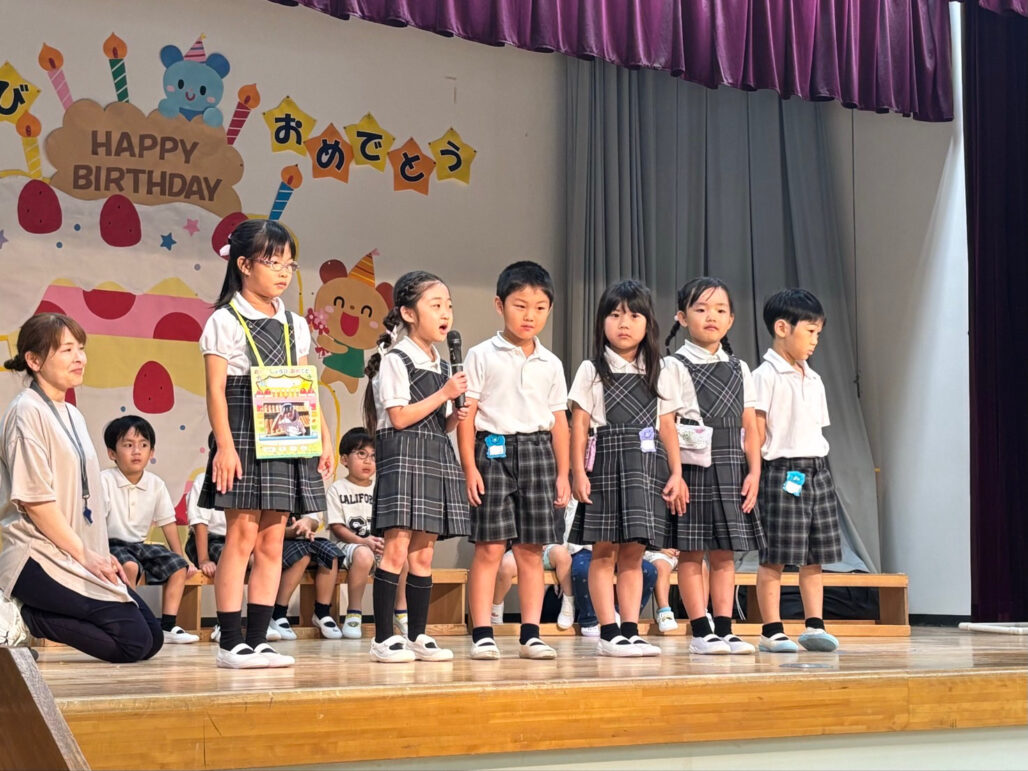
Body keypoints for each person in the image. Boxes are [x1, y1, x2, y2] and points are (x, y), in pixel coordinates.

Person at [198, 219, 333, 669]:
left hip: (287, 434)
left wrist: (324, 438)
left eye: (289, 264)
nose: (282, 272)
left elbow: (306, 386)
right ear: (243, 265)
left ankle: (258, 639)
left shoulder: (295, 324)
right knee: (240, 537)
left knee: (273, 541)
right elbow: (215, 390)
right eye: (273, 262)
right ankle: (230, 641)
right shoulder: (225, 320)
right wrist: (224, 446)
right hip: (242, 432)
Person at [0, 313, 162, 662]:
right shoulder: (26, 412)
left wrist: (98, 553)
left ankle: (28, 615)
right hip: (37, 556)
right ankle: (22, 618)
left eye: (81, 348)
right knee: (133, 642)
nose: (80, 358)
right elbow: (36, 502)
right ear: (34, 360)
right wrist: (85, 555)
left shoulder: (72, 413)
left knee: (153, 638)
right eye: (67, 350)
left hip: (74, 551)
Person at [458, 261, 571, 660]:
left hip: (539, 452)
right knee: (489, 548)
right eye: (520, 305)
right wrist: (469, 468)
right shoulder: (481, 354)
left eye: (539, 308)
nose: (529, 316)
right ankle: (482, 633)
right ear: (499, 305)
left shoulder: (551, 363)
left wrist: (563, 473)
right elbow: (467, 415)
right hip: (493, 450)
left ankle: (531, 633)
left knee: (530, 549)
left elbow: (560, 422)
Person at [568, 280, 687, 658]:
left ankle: (631, 630)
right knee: (604, 552)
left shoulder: (660, 369)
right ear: (602, 321)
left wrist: (676, 472)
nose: (624, 323)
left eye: (634, 315)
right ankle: (608, 632)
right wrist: (577, 473)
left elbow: (667, 426)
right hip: (605, 461)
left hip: (646, 466)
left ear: (648, 323)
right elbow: (579, 425)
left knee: (635, 552)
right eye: (616, 315)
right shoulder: (591, 369)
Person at [362, 271, 469, 662]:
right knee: (396, 549)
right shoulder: (397, 358)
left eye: (448, 306)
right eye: (435, 305)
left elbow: (435, 422)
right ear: (408, 313)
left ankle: (418, 635)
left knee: (423, 555)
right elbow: (400, 416)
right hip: (404, 454)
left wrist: (455, 417)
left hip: (435, 453)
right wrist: (444, 394)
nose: (445, 314)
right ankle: (383, 637)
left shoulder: (442, 363)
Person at [664, 277, 764, 655]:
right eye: (701, 309)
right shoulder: (673, 365)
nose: (712, 316)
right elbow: (666, 423)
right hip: (691, 467)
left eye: (720, 310)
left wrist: (754, 471)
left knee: (725, 553)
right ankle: (700, 630)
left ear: (731, 319)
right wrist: (675, 474)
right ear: (682, 317)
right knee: (691, 552)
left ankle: (725, 628)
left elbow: (750, 425)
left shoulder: (740, 368)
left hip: (730, 465)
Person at [752, 289, 842, 653]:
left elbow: (817, 429)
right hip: (783, 471)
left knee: (814, 555)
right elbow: (757, 431)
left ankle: (814, 624)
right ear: (782, 328)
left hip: (817, 470)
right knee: (775, 554)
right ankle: (771, 629)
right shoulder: (765, 375)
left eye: (819, 333)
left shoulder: (814, 379)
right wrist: (754, 473)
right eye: (810, 331)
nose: (815, 340)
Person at [101, 415, 199, 644]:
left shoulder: (155, 484)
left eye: (143, 445)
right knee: (129, 566)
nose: (137, 451)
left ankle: (168, 626)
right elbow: (94, 522)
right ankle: (129, 622)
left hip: (140, 545)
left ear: (151, 452)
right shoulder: (104, 480)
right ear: (112, 453)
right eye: (128, 445)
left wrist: (182, 558)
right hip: (110, 545)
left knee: (178, 566)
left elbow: (167, 522)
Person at [326, 427, 408, 640]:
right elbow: (337, 527)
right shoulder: (337, 488)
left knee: (402, 556)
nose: (368, 461)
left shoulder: (382, 488)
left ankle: (400, 611)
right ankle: (354, 613)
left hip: (377, 544)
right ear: (345, 459)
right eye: (361, 454)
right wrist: (363, 541)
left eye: (373, 456)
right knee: (363, 555)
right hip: (347, 546)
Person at [270, 509, 343, 640]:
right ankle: (278, 613)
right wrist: (289, 531)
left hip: (299, 539)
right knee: (302, 556)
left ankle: (322, 612)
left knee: (330, 553)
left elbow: (314, 521)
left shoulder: (301, 495)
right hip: (271, 539)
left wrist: (307, 522)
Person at [644, 548, 679, 632]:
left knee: (701, 565)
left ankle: (702, 614)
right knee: (661, 565)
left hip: (680, 553)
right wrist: (660, 549)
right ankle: (665, 613)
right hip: (655, 552)